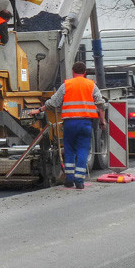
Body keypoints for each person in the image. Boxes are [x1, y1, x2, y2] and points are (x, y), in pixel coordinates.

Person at [29, 61, 107, 189]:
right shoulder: (91, 85)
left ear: (73, 72)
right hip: (85, 123)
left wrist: (38, 110)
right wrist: (102, 121)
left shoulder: (67, 84)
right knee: (83, 150)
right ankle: (79, 181)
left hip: (70, 123)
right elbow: (100, 104)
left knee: (69, 150)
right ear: (85, 73)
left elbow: (53, 102)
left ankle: (69, 180)